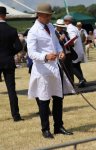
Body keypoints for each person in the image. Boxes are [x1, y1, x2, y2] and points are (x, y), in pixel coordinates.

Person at [27, 3, 74, 139]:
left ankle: (58, 126)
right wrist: (45, 56)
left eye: (50, 15)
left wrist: (61, 52)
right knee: (44, 99)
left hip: (55, 68)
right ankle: (45, 129)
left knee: (58, 97)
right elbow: (31, 53)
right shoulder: (33, 31)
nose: (49, 17)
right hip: (42, 70)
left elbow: (56, 44)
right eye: (47, 15)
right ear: (39, 15)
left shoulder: (50, 27)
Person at [0, 6, 23, 122]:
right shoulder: (12, 30)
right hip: (8, 61)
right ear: (5, 15)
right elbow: (19, 47)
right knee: (11, 90)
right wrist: (10, 53)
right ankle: (16, 115)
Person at [64, 15, 87, 88]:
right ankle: (82, 79)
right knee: (77, 66)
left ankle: (81, 79)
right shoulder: (74, 27)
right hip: (79, 50)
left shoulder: (69, 28)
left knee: (72, 66)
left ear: (67, 21)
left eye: (64, 21)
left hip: (75, 50)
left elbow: (73, 38)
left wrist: (68, 44)